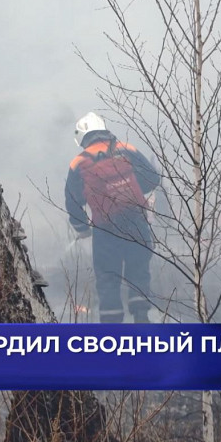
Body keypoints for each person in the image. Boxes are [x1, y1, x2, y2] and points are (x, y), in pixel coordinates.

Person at [65, 112, 159, 323]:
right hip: (136, 221)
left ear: (81, 137)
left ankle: (111, 329)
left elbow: (72, 202)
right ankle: (142, 320)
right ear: (103, 129)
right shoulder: (127, 149)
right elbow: (153, 179)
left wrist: (82, 229)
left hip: (105, 228)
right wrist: (132, 193)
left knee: (108, 277)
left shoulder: (78, 163)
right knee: (139, 270)